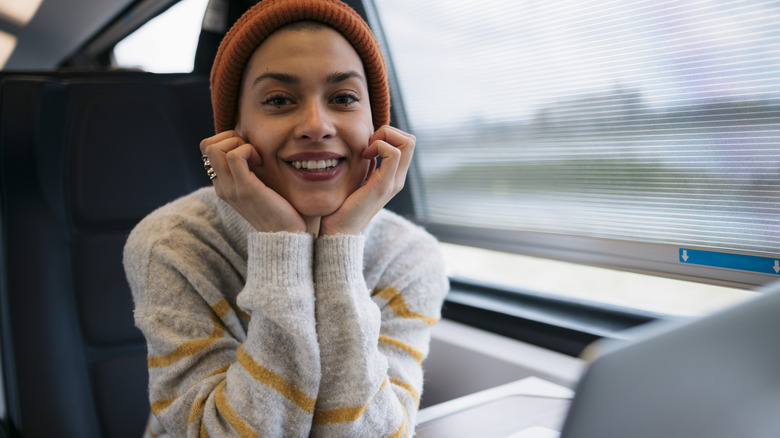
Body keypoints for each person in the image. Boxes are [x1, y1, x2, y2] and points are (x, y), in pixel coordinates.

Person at [122, 0, 449, 436]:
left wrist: (339, 248)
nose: (317, 125)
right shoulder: (173, 244)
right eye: (278, 100)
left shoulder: (410, 258)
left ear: (377, 127)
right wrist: (281, 243)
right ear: (233, 132)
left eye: (343, 98)